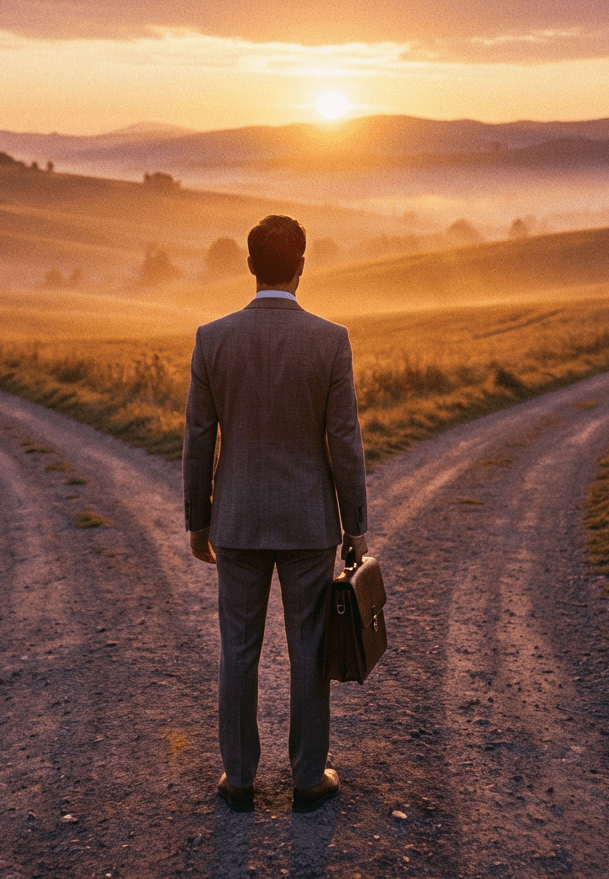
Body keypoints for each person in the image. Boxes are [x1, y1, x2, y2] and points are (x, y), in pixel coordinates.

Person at [183, 214, 368, 813]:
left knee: (238, 650)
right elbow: (344, 440)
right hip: (308, 524)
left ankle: (238, 779)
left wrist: (198, 518)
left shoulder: (212, 338)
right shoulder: (329, 339)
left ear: (249, 264)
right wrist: (354, 525)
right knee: (308, 650)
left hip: (235, 521)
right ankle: (308, 779)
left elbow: (198, 437)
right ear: (303, 264)